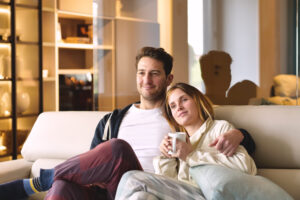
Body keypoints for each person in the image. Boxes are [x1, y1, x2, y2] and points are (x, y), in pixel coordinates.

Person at [0, 47, 255, 200]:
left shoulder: (177, 116)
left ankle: (37, 182)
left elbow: (212, 134)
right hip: (105, 192)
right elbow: (91, 160)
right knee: (63, 185)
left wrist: (240, 134)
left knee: (117, 149)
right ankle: (47, 181)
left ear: (168, 79)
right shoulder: (111, 120)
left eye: (155, 73)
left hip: (146, 190)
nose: (147, 80)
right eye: (142, 72)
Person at [115, 82, 257, 200]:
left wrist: (191, 155)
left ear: (197, 100)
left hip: (209, 195)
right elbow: (169, 187)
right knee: (140, 197)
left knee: (131, 178)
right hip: (184, 195)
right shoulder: (180, 141)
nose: (179, 107)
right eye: (173, 106)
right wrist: (166, 158)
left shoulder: (220, 128)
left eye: (184, 100)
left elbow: (246, 167)